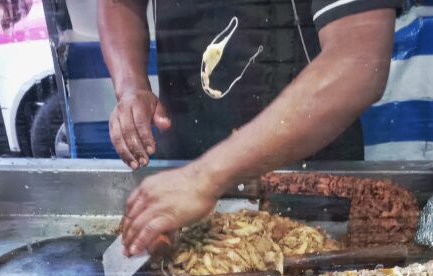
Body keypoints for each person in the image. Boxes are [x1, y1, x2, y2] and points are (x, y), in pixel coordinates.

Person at [98, 0, 400, 255]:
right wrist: (131, 86)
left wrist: (205, 177)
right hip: (183, 177)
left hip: (308, 187)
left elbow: (357, 62)